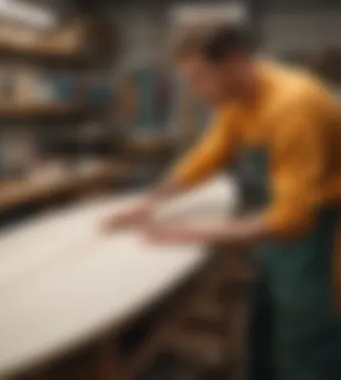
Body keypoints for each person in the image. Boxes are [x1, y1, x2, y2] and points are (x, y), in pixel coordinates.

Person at [104, 24, 341, 380]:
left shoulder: (294, 106)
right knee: (262, 317)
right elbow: (208, 155)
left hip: (316, 222)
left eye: (201, 78)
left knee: (304, 331)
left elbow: (293, 218)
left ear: (233, 61)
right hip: (280, 211)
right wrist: (150, 202)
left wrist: (195, 233)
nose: (198, 93)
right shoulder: (237, 100)